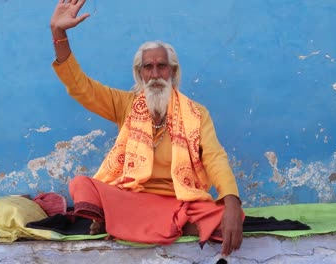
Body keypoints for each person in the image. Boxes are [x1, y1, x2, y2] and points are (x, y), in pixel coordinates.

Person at [50, 0, 244, 257]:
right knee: (82, 185)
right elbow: (81, 88)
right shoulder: (124, 104)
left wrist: (231, 200)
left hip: (180, 201)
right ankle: (172, 227)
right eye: (148, 67)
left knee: (231, 216)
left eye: (161, 66)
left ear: (172, 72)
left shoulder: (197, 113)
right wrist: (59, 34)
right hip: (132, 199)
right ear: (139, 73)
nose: (155, 74)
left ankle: (125, 224)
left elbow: (215, 157)